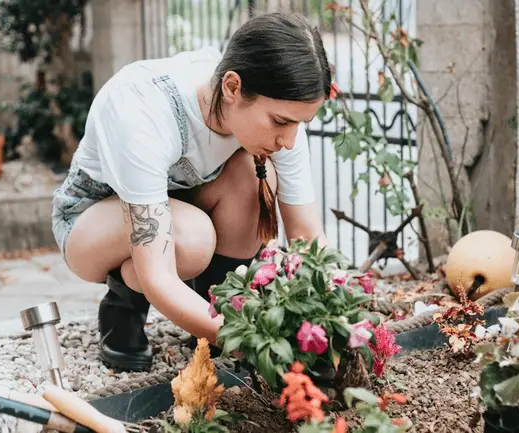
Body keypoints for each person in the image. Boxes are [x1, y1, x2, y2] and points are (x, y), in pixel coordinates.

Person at [51, 12, 331, 373]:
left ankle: (214, 316)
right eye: (280, 122)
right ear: (232, 87)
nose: (290, 140)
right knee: (191, 238)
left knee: (253, 174)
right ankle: (123, 309)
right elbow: (160, 275)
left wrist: (335, 315)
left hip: (175, 209)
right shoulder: (142, 111)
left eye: (300, 124)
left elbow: (307, 236)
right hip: (89, 223)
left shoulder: (278, 102)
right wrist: (256, 343)